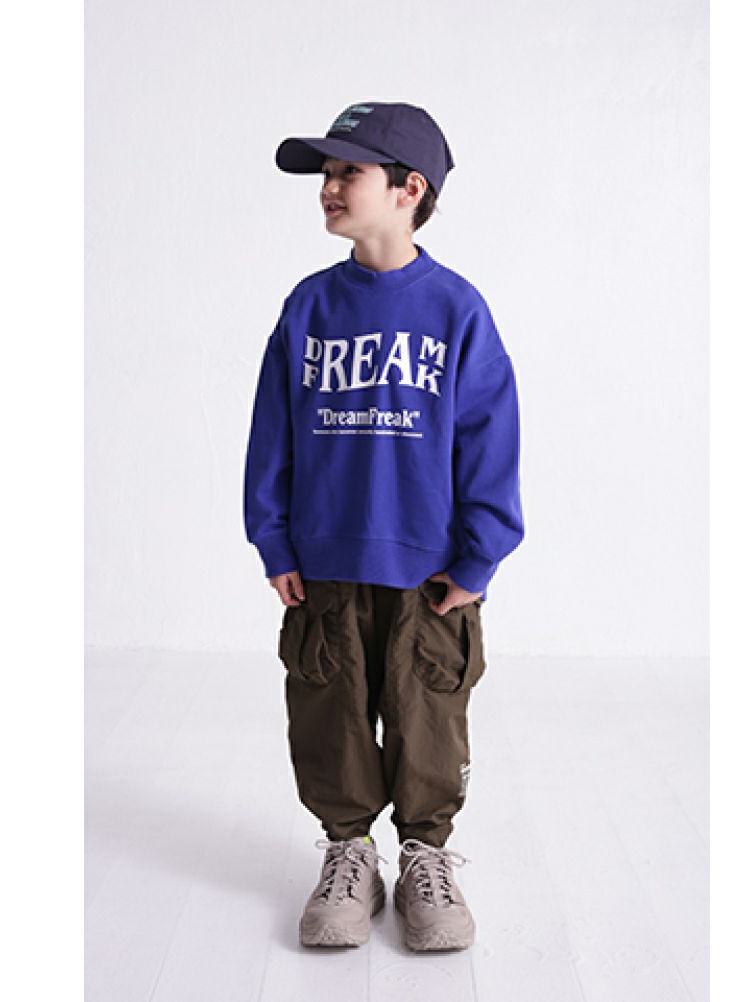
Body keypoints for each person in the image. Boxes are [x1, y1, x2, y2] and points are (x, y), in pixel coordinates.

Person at [243, 101, 524, 951]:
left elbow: (489, 440)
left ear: (410, 189)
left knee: (427, 719)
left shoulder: (456, 309)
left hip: (429, 573)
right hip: (324, 561)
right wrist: (273, 537)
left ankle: (426, 858)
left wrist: (480, 556)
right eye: (325, 174)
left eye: (347, 172)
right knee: (327, 716)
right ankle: (349, 854)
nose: (328, 187)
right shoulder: (310, 306)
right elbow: (273, 433)